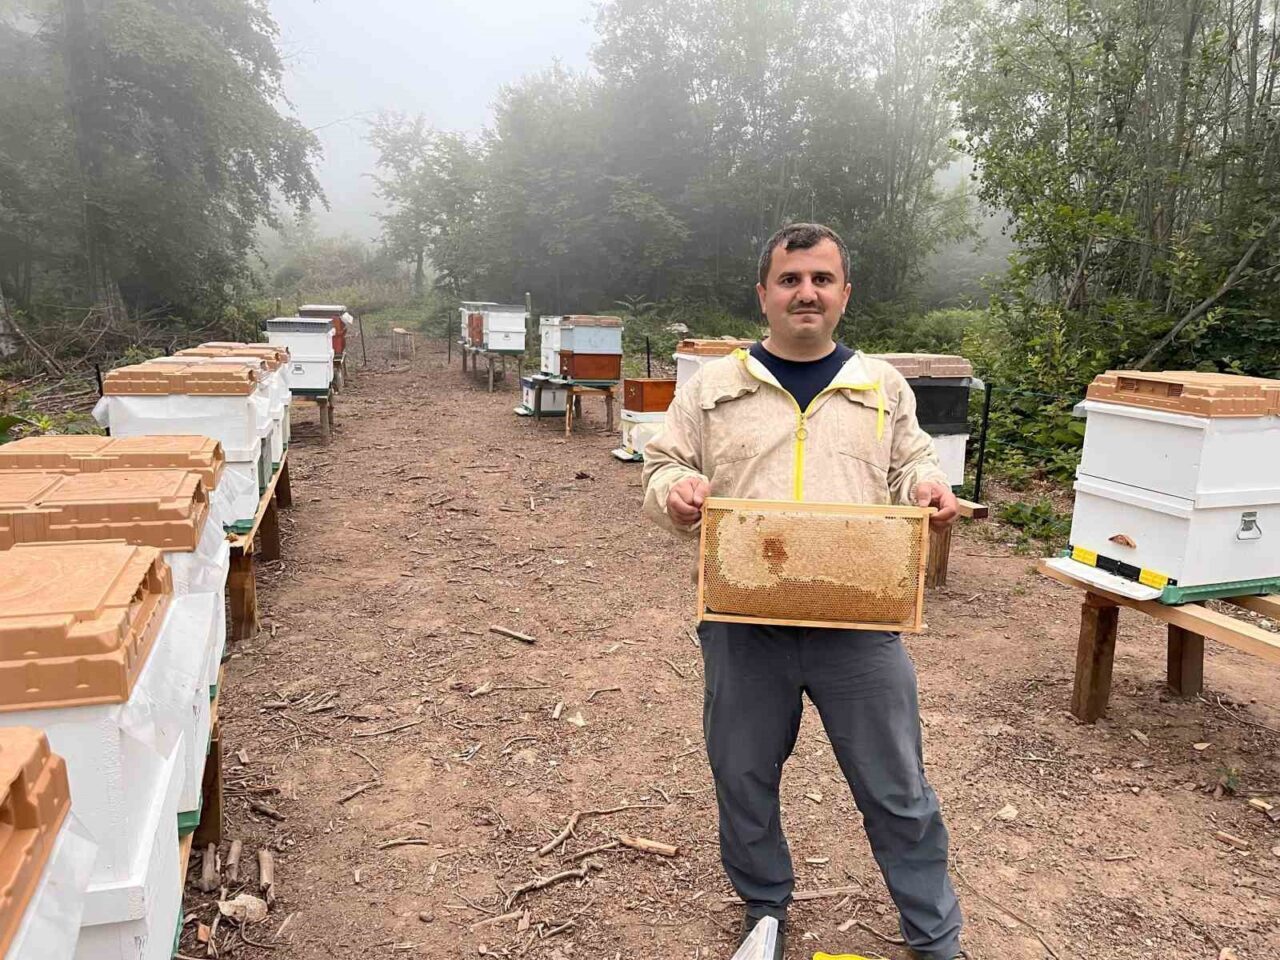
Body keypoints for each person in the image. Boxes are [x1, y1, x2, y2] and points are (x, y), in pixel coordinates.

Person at [641, 223, 964, 960]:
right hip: (742, 618)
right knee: (743, 774)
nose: (806, 292)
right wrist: (676, 491)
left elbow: (912, 463)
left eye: (821, 278)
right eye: (790, 280)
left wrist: (927, 486)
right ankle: (764, 908)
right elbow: (659, 467)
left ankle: (936, 936)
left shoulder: (881, 385)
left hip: (857, 619)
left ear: (844, 293)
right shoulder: (715, 386)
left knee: (896, 787)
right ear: (764, 293)